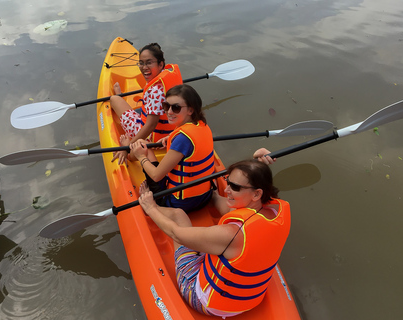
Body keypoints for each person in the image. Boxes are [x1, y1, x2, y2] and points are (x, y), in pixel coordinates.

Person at [138, 158, 290, 317]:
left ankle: (153, 207)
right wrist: (257, 162)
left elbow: (177, 233)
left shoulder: (230, 234)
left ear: (257, 193)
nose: (228, 190)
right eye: (228, 182)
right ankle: (213, 197)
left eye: (235, 187)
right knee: (226, 206)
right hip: (251, 301)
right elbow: (241, 212)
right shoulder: (275, 212)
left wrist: (151, 207)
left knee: (179, 215)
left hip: (205, 301)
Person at [130, 84, 214, 212]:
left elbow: (156, 176)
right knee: (147, 146)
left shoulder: (182, 139)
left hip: (180, 204)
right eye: (166, 106)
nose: (169, 112)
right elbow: (188, 138)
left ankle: (151, 201)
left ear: (190, 110)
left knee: (145, 148)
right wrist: (170, 136)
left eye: (176, 108)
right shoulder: (202, 125)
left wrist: (140, 156)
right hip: (205, 196)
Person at [110, 43, 183, 164]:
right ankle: (123, 99)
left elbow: (150, 126)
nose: (144, 67)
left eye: (149, 63)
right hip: (171, 135)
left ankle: (120, 97)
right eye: (141, 63)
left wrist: (127, 148)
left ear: (160, 64)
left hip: (154, 139)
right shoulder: (169, 76)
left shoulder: (155, 91)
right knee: (141, 110)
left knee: (114, 99)